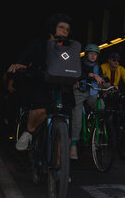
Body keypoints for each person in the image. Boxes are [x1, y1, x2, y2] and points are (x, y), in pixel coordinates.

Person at [8, 13, 75, 151]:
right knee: (41, 108)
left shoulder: (69, 48)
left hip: (62, 87)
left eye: (67, 29)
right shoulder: (39, 44)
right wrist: (18, 64)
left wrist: (86, 76)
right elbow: (25, 57)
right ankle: (29, 132)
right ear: (52, 28)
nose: (65, 31)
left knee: (67, 126)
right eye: (61, 27)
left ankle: (60, 170)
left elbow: (77, 66)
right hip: (41, 82)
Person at [70, 44, 105, 159]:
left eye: (95, 54)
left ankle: (97, 128)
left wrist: (105, 82)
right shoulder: (79, 63)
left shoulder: (97, 67)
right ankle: (73, 146)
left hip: (93, 93)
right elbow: (76, 74)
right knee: (77, 120)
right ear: (86, 54)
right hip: (80, 92)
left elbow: (101, 78)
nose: (93, 56)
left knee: (102, 106)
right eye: (91, 54)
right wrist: (90, 75)